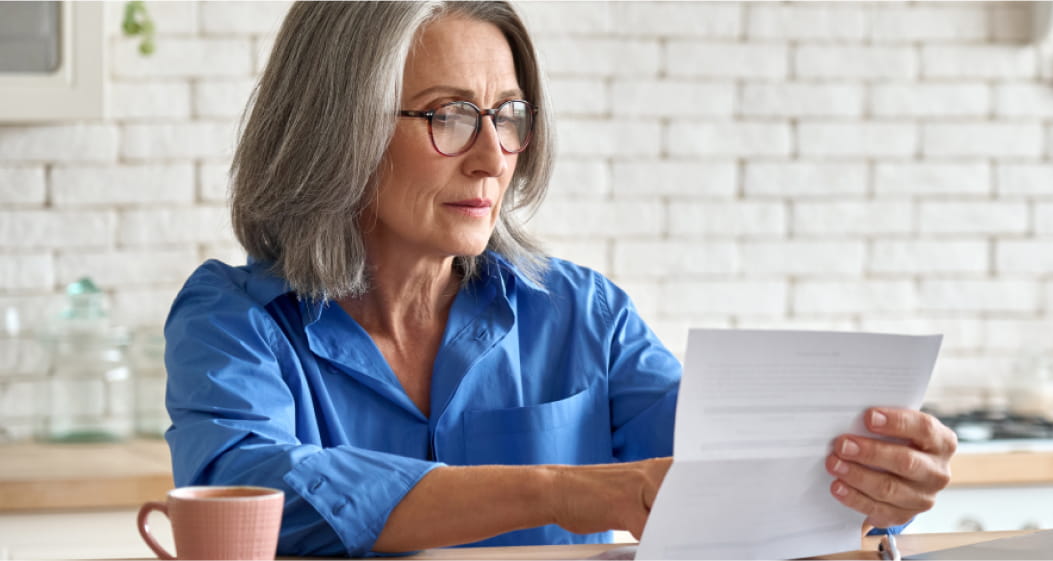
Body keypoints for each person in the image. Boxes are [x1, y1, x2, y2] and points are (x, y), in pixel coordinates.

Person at [162, 1, 958, 557]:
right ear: (339, 128)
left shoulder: (584, 314)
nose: (493, 154)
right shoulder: (232, 319)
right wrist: (564, 491)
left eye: (509, 115)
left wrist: (866, 482)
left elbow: (725, 474)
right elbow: (251, 490)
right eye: (448, 115)